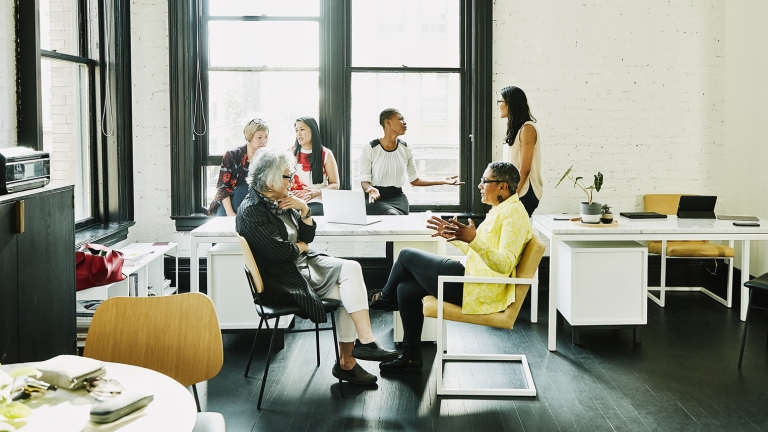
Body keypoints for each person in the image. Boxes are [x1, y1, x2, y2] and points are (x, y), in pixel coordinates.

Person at [236, 147, 398, 386]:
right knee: (348, 291)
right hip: (283, 278)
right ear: (270, 180)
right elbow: (282, 252)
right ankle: (348, 363)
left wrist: (303, 209)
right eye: (288, 176)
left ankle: (363, 344)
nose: (293, 180)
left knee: (352, 268)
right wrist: (300, 246)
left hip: (303, 264)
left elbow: (307, 237)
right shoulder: (251, 212)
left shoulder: (280, 200)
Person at [370, 162, 533, 373]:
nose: (480, 186)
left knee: (405, 255)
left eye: (485, 181)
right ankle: (410, 357)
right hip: (471, 277)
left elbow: (504, 265)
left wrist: (473, 239)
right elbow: (480, 252)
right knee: (405, 290)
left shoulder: (513, 215)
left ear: (502, 186)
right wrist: (455, 237)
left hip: (476, 287)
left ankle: (384, 298)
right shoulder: (503, 209)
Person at [359, 108, 463, 215]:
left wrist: (441, 181)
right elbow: (364, 182)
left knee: (394, 218)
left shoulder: (406, 148)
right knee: (391, 215)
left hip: (397, 198)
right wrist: (371, 189)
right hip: (374, 198)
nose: (404, 123)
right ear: (387, 122)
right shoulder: (370, 148)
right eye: (400, 119)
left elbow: (414, 180)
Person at [209, 118, 269, 216]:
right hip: (229, 203)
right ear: (249, 137)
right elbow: (222, 187)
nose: (264, 141)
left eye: (266, 137)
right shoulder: (232, 155)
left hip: (254, 204)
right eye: (259, 137)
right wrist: (230, 213)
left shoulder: (267, 158)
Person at [498, 86, 542, 217]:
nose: (498, 106)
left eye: (500, 102)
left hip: (524, 192)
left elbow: (525, 169)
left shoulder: (527, 129)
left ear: (510, 104)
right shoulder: (516, 129)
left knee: (516, 234)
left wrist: (513, 195)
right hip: (516, 191)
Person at [291, 117, 340, 216]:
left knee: (308, 215)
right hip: (293, 200)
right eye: (296, 130)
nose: (298, 133)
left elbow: (335, 185)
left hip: (315, 201)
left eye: (302, 129)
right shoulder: (289, 153)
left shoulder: (326, 154)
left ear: (312, 131)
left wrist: (317, 192)